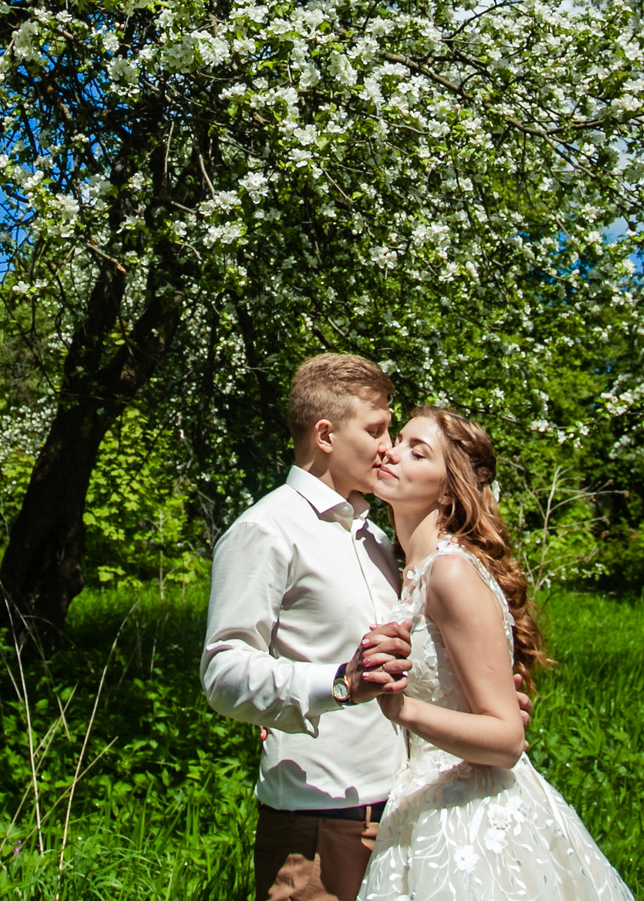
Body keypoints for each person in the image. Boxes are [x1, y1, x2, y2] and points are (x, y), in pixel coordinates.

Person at [363, 405, 634, 901]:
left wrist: (404, 709)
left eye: (415, 450)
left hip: (470, 821)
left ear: (447, 488)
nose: (391, 452)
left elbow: (507, 738)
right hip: (417, 806)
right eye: (397, 439)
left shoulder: (450, 573)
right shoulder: (405, 568)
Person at [203, 353, 417, 901]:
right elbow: (223, 671)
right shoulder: (265, 530)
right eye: (375, 430)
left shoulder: (376, 536)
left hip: (401, 811)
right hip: (316, 825)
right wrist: (338, 683)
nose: (389, 445)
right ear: (326, 434)